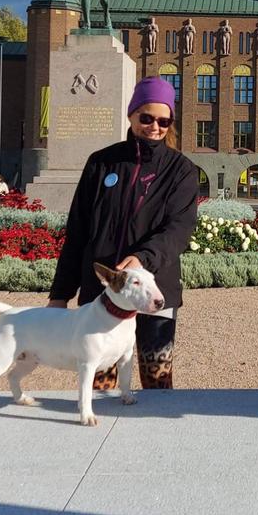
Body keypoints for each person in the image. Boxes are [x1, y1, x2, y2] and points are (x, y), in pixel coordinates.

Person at [47, 77, 199, 390]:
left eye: (163, 121)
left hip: (155, 291)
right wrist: (60, 295)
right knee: (100, 386)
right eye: (146, 118)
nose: (154, 127)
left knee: (157, 382)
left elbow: (178, 229)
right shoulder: (101, 162)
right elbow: (77, 232)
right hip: (101, 296)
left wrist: (142, 258)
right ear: (131, 115)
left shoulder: (181, 170)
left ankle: (154, 423)